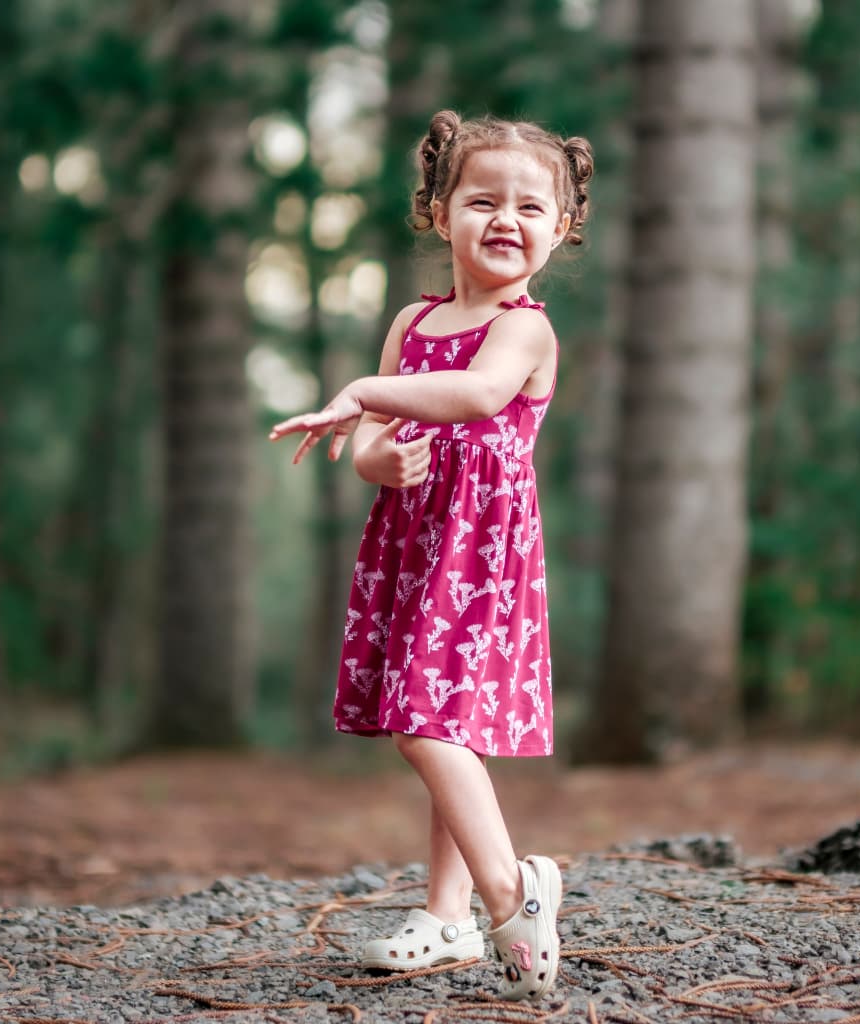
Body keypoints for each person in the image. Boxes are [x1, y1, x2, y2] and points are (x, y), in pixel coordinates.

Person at [269, 109, 593, 1002]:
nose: (506, 220)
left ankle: (509, 894)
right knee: (446, 726)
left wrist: (365, 390)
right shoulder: (412, 319)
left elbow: (474, 394)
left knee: (427, 717)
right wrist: (378, 450)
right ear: (440, 212)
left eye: (532, 208)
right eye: (482, 200)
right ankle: (447, 912)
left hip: (480, 550)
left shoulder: (525, 330)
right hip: (414, 540)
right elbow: (374, 441)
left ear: (560, 230)